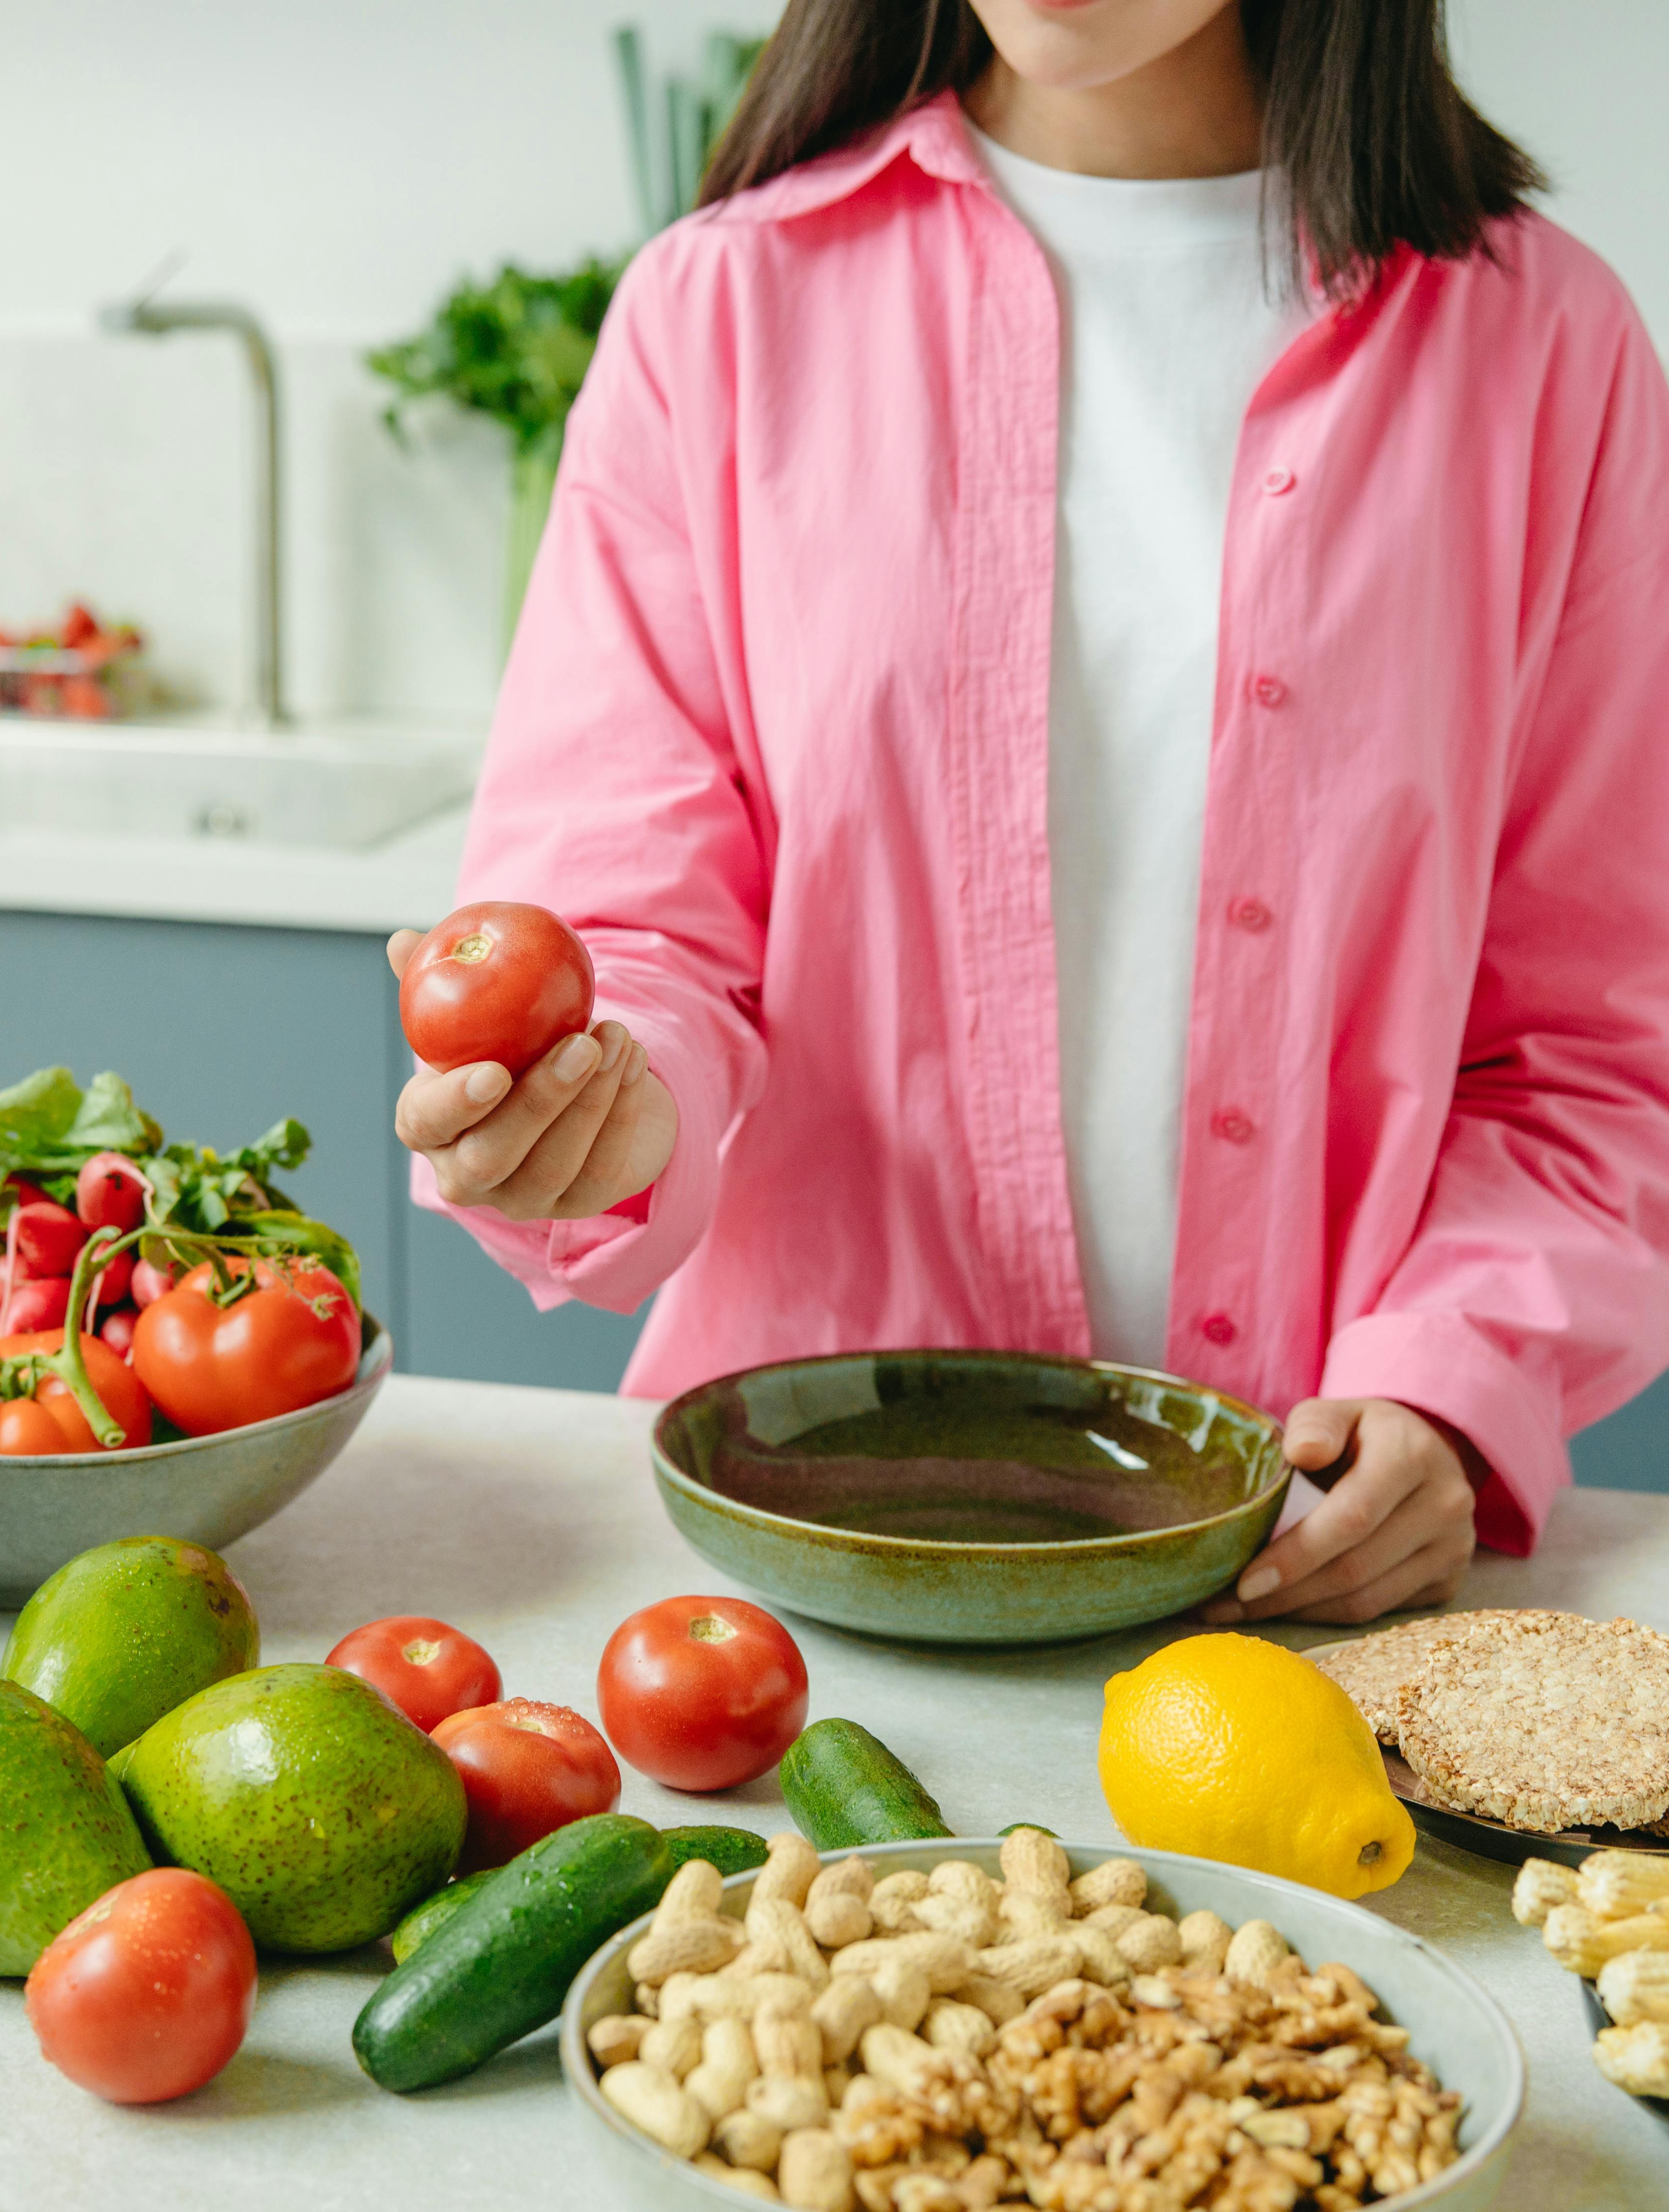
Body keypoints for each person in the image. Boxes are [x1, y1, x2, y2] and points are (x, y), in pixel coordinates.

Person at [389, 0, 1669, 1624]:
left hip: (1313, 1591)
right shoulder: (719, 313)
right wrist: (605, 1102)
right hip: (818, 1577)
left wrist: (1450, 1385)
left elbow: (1594, 1049)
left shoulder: (1547, 351)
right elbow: (633, 930)